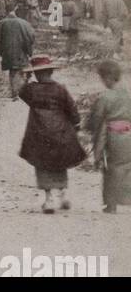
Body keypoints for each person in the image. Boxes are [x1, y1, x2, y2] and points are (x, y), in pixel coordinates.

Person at [17, 55, 86, 213]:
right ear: (51, 71)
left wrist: (26, 78)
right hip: (60, 132)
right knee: (59, 163)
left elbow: (21, 92)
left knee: (42, 165)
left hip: (39, 134)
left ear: (36, 74)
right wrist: (76, 124)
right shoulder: (60, 89)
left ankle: (48, 200)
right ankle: (62, 196)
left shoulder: (32, 90)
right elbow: (72, 109)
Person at [88, 60, 131, 214]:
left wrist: (92, 130)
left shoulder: (105, 97)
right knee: (126, 168)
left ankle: (111, 204)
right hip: (129, 136)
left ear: (108, 77)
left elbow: (97, 118)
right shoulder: (127, 94)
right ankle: (126, 200)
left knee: (111, 170)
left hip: (113, 136)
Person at [0, 4, 35, 98]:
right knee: (24, 69)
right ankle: (23, 91)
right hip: (21, 52)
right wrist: (29, 51)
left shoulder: (2, 23)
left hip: (8, 52)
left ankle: (15, 93)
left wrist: (2, 52)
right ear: (15, 10)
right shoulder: (23, 23)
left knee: (12, 71)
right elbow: (31, 37)